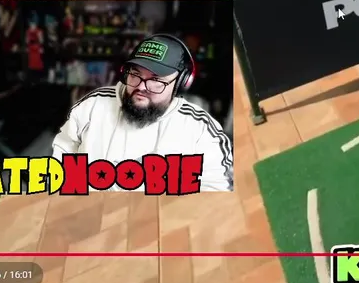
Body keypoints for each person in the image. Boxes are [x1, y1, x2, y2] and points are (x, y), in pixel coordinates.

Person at [51, 35, 233, 192]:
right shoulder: (92, 106)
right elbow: (60, 160)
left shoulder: (201, 129)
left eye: (156, 80)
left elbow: (219, 188)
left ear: (180, 84)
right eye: (135, 74)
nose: (141, 87)